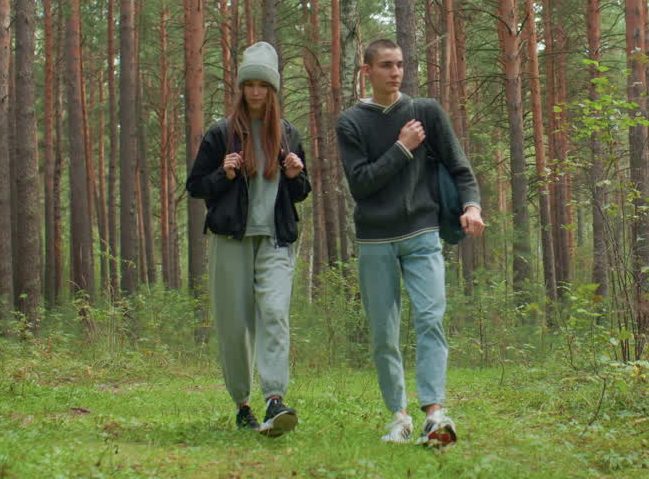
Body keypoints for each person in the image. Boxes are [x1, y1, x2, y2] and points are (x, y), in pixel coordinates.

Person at [335, 38, 485, 447]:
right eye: (385, 65)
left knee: (430, 319)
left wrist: (471, 207)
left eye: (399, 64)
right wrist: (403, 148)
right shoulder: (351, 122)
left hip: (422, 233)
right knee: (384, 333)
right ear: (367, 71)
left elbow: (460, 169)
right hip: (375, 239)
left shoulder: (426, 112)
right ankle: (398, 416)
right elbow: (361, 184)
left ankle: (434, 414)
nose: (395, 72)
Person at [186, 41, 310, 437]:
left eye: (263, 85)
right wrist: (221, 174)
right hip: (232, 240)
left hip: (275, 239)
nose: (256, 92)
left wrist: (295, 174)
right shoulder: (221, 133)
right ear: (241, 88)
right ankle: (242, 404)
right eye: (250, 84)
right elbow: (195, 187)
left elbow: (302, 191)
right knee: (234, 325)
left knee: (274, 313)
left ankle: (275, 399)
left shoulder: (288, 134)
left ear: (273, 90)